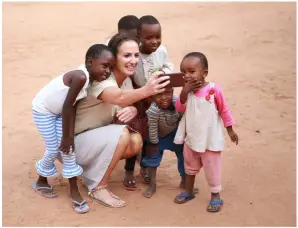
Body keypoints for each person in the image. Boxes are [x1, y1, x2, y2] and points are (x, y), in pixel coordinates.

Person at [71, 32, 170, 208]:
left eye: (136, 55)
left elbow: (124, 100)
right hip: (74, 145)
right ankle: (98, 187)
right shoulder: (100, 79)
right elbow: (119, 97)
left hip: (92, 139)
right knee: (123, 134)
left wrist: (131, 108)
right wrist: (147, 90)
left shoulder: (124, 79)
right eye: (126, 55)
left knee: (135, 141)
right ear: (113, 58)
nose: (133, 60)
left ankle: (90, 172)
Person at [31, 44, 115, 214]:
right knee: (55, 148)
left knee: (68, 150)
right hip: (44, 110)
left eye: (111, 68)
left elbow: (72, 106)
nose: (107, 71)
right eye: (105, 66)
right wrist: (67, 136)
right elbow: (68, 106)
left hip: (61, 111)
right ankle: (41, 180)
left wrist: (68, 137)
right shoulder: (81, 77)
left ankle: (73, 190)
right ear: (90, 62)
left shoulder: (91, 78)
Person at [173, 52, 239, 213]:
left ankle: (215, 195)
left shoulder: (213, 90)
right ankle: (189, 191)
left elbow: (224, 110)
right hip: (192, 138)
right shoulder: (186, 91)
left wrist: (230, 130)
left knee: (212, 168)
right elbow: (179, 109)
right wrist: (183, 92)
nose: (186, 76)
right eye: (183, 72)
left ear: (205, 73)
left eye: (191, 71)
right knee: (190, 166)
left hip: (210, 140)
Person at [124, 15, 174, 190]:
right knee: (135, 131)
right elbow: (127, 77)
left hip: (154, 99)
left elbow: (169, 65)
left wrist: (163, 72)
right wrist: (135, 95)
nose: (154, 41)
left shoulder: (162, 51)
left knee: (150, 133)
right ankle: (129, 170)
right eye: (149, 38)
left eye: (157, 37)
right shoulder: (133, 54)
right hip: (136, 98)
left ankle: (144, 165)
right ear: (138, 38)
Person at [141, 87, 186, 198]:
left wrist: (182, 137)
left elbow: (182, 120)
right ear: (152, 96)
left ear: (172, 92)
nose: (164, 98)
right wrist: (154, 143)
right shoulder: (153, 110)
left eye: (168, 93)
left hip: (174, 133)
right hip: (157, 136)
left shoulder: (178, 103)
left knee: (184, 155)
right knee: (153, 157)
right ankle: (152, 185)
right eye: (159, 95)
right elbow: (152, 129)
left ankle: (185, 180)